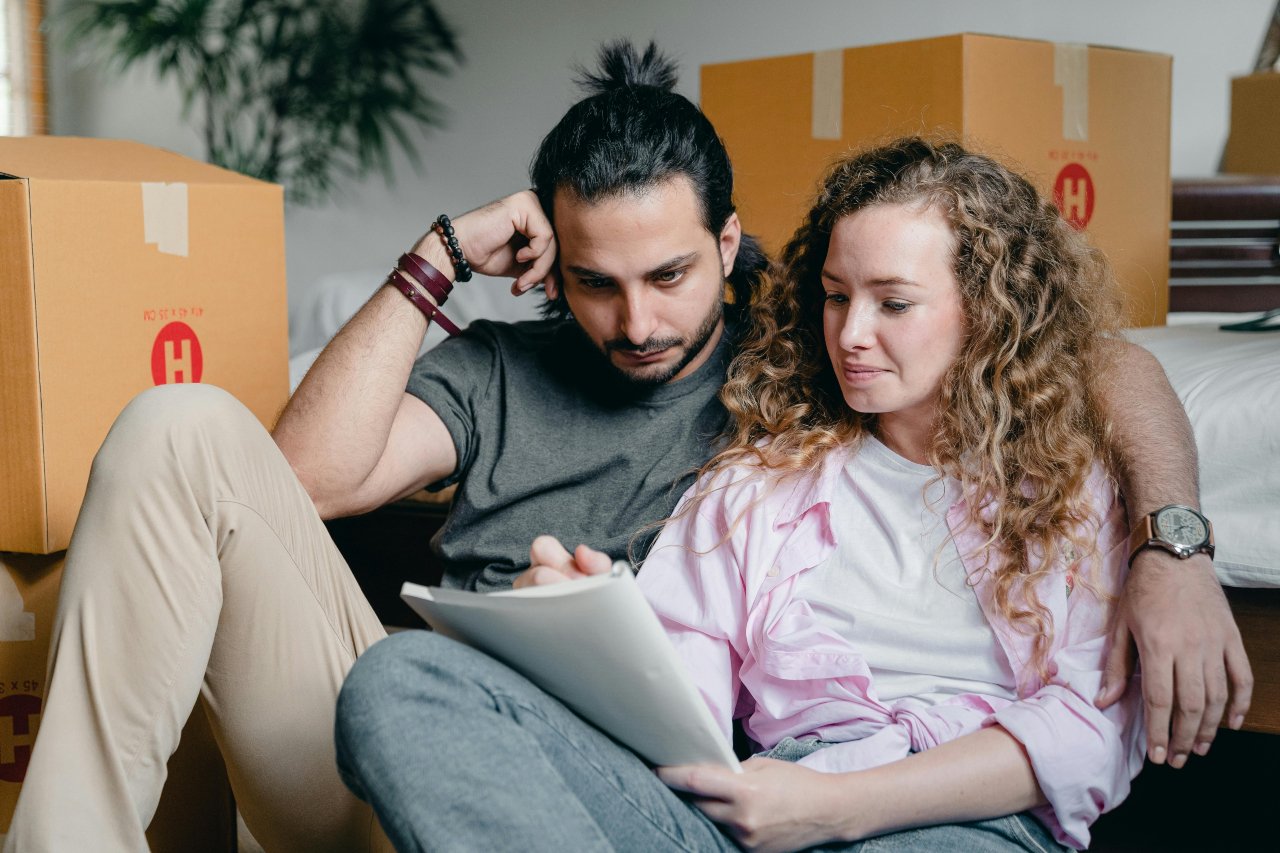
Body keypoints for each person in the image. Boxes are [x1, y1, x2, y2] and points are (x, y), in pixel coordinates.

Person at [4, 40, 1244, 852]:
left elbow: (1091, 354)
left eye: (666, 274)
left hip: (646, 791)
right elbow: (308, 485)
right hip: (460, 756)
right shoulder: (523, 374)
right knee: (184, 427)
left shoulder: (803, 355)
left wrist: (1172, 542)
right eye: (595, 283)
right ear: (551, 261)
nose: (637, 322)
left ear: (731, 245)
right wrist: (440, 257)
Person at [334, 137, 1154, 852]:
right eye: (836, 296)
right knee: (401, 676)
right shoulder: (761, 476)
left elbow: (1091, 737)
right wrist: (593, 638)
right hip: (742, 816)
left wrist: (833, 807)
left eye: (894, 303)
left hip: (954, 823)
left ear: (988, 312)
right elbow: (681, 706)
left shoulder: (1073, 485)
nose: (852, 334)